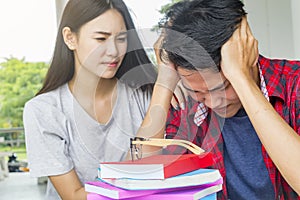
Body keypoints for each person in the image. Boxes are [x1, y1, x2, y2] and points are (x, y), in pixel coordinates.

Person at [22, 0, 174, 199]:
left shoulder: (146, 95)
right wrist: (133, 177)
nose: (113, 51)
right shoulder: (43, 111)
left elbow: (148, 166)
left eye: (121, 39)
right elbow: (75, 196)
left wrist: (165, 83)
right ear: (70, 38)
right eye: (101, 38)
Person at [153, 0, 300, 199]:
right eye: (200, 93)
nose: (213, 103)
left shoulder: (295, 84)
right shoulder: (185, 103)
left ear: (247, 52)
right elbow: (140, 181)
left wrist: (241, 80)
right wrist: (163, 85)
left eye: (224, 87)